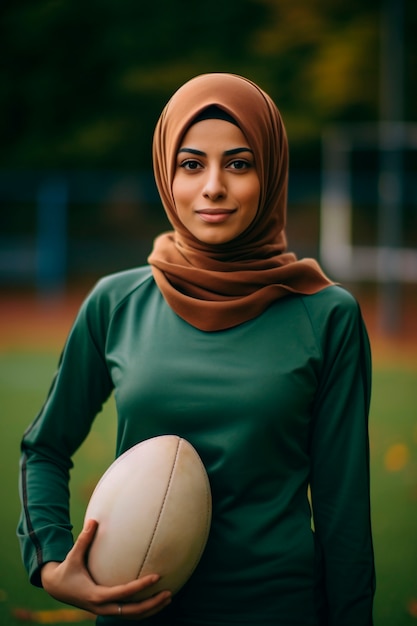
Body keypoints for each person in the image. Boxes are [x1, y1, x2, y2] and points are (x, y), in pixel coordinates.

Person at [18, 72, 375, 626]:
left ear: (271, 173)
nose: (213, 186)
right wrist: (51, 559)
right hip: (131, 613)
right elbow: (43, 448)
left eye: (239, 163)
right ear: (166, 172)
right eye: (191, 164)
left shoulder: (327, 315)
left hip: (276, 611)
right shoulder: (117, 302)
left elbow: (342, 509)